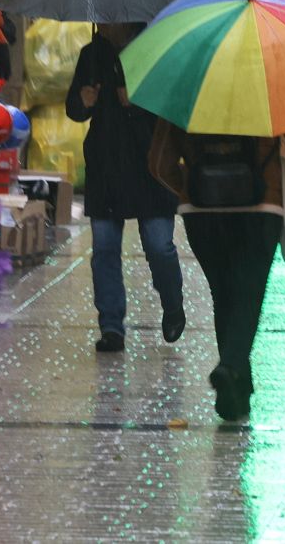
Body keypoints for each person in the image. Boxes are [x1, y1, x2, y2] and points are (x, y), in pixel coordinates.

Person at [149, 120, 285, 421]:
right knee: (247, 293)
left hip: (201, 210)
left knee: (223, 294)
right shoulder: (268, 88)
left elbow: (159, 163)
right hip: (261, 207)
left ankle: (235, 395)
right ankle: (231, 366)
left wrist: (189, 186)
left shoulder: (187, 88)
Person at [66, 23, 184, 354]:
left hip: (149, 168)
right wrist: (83, 101)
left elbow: (174, 107)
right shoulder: (91, 55)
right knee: (104, 249)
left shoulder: (155, 51)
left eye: (111, 17)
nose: (104, 22)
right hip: (106, 167)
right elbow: (73, 108)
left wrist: (139, 101)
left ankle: (173, 304)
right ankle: (111, 326)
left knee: (159, 246)